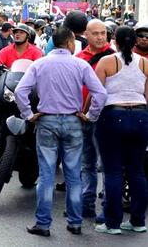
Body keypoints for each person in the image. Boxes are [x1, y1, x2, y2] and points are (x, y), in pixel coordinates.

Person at [15, 26, 107, 237]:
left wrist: (29, 114)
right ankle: (75, 223)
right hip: (74, 122)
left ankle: (43, 224)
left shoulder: (40, 64)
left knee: (46, 174)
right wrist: (90, 116)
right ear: (69, 43)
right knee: (74, 174)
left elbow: (21, 90)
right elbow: (100, 94)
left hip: (46, 121)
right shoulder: (80, 65)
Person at [94, 26, 148, 235]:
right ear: (135, 42)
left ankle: (112, 223)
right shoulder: (145, 63)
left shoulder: (107, 61)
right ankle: (137, 221)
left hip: (113, 115)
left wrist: (90, 116)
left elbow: (98, 95)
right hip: (141, 116)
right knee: (137, 172)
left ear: (114, 40)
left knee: (114, 171)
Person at [74, 19, 115, 219]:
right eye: (96, 33)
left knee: (107, 164)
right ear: (86, 35)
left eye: (103, 33)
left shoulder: (114, 58)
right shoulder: (79, 58)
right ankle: (86, 204)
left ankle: (107, 207)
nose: (100, 37)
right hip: (81, 117)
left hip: (105, 117)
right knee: (86, 163)